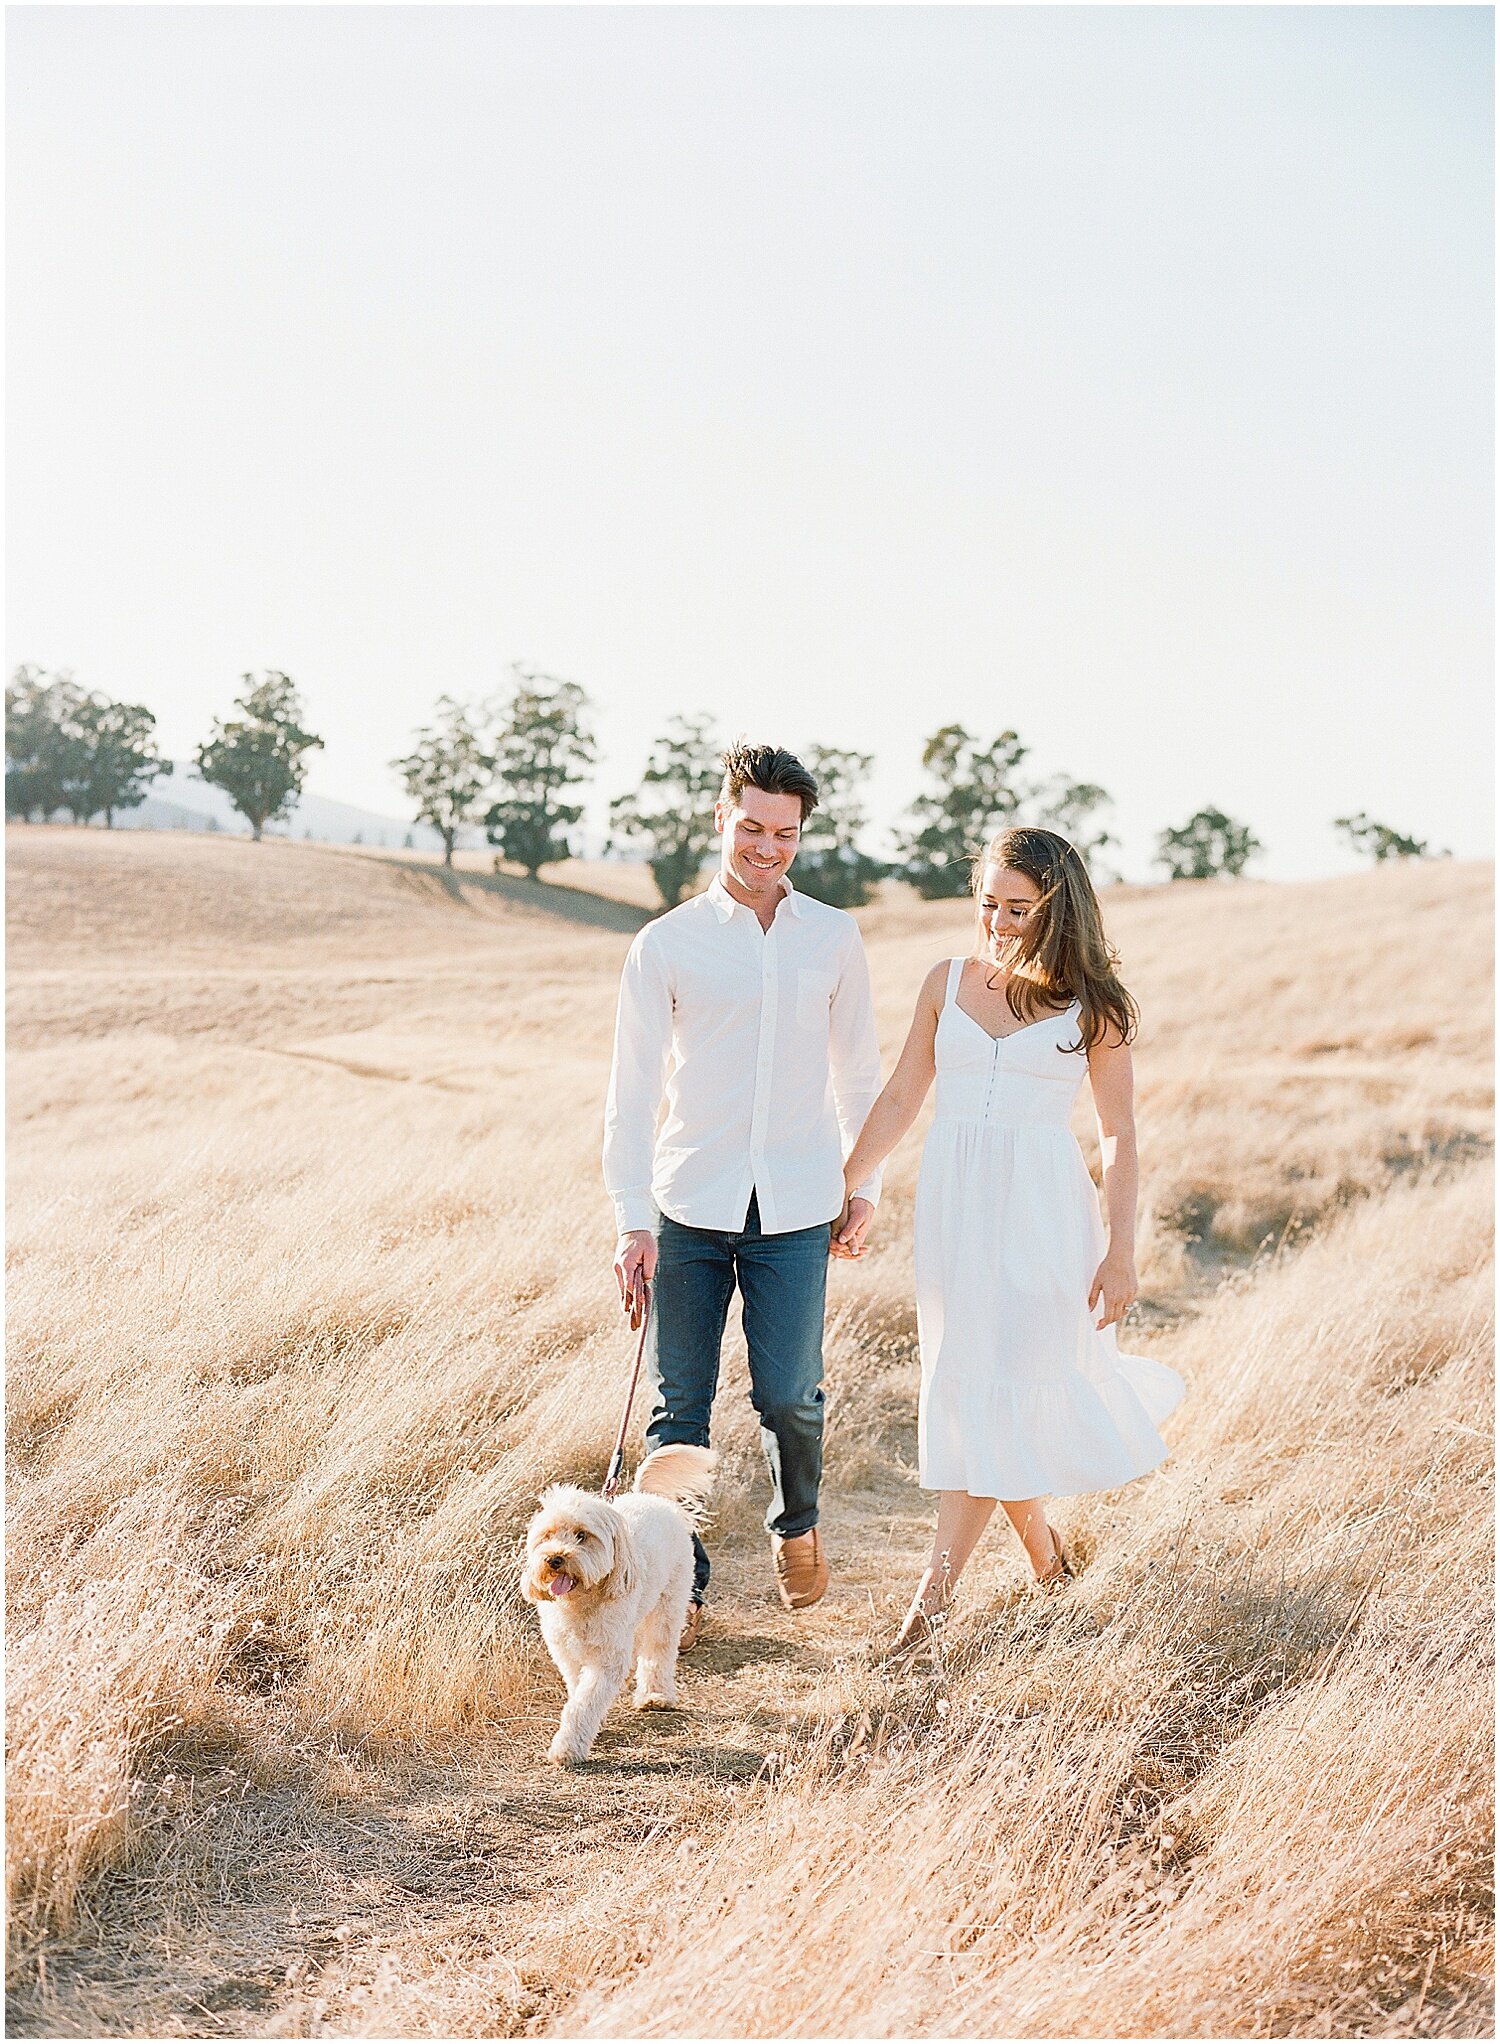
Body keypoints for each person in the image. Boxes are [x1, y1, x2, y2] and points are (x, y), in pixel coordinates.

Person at [834, 826, 1185, 1657]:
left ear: (1058, 910)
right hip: (955, 1218)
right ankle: (1049, 1564)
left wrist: (1121, 1251)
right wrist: (844, 1186)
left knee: (1006, 1386)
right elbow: (899, 1096)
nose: (996, 922)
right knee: (972, 1387)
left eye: (1018, 910)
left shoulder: (1093, 1006)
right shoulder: (944, 983)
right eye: (987, 903)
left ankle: (930, 1605)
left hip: (1043, 1220)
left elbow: (1119, 1137)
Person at [604, 742, 883, 1646]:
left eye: (785, 833)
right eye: (752, 827)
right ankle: (676, 1586)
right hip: (687, 1207)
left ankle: (796, 1523)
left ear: (802, 835)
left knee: (791, 1395)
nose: (767, 848)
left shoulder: (833, 937)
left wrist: (864, 1182)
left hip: (798, 1207)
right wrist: (632, 1222)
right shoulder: (667, 943)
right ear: (722, 818)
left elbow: (859, 1074)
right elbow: (632, 1091)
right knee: (678, 1403)